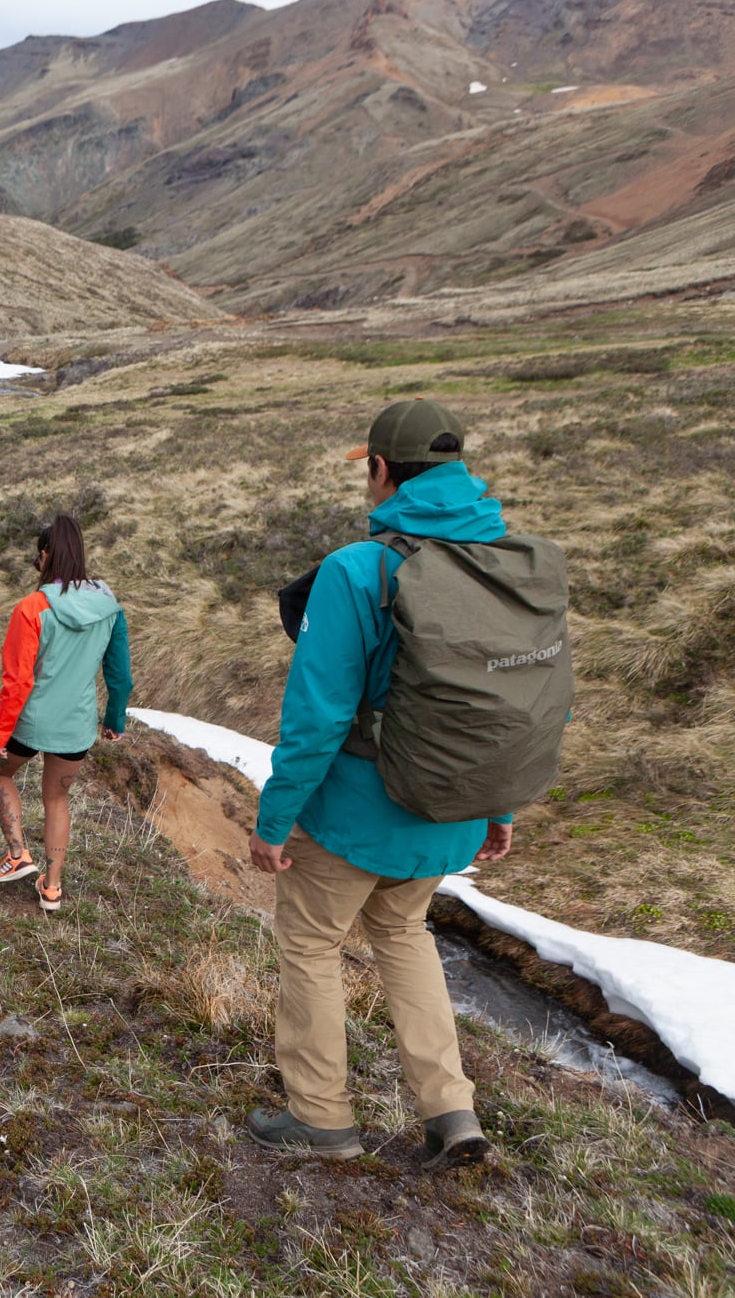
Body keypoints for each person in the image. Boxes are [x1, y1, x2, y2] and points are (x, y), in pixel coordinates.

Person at [245, 400, 508, 1168]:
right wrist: (501, 803)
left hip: (360, 814)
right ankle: (452, 1110)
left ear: (381, 470)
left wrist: (273, 819)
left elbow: (318, 718)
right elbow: (505, 703)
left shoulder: (357, 570)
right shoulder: (501, 562)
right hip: (453, 807)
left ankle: (322, 1119)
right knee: (402, 932)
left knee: (312, 944)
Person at [0, 514, 132, 912]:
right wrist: (115, 719)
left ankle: (18, 854)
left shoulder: (31, 608)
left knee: (0, 772)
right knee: (57, 799)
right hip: (77, 726)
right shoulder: (109, 607)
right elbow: (119, 674)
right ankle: (51, 889)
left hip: (32, 721)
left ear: (46, 555)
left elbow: (17, 682)